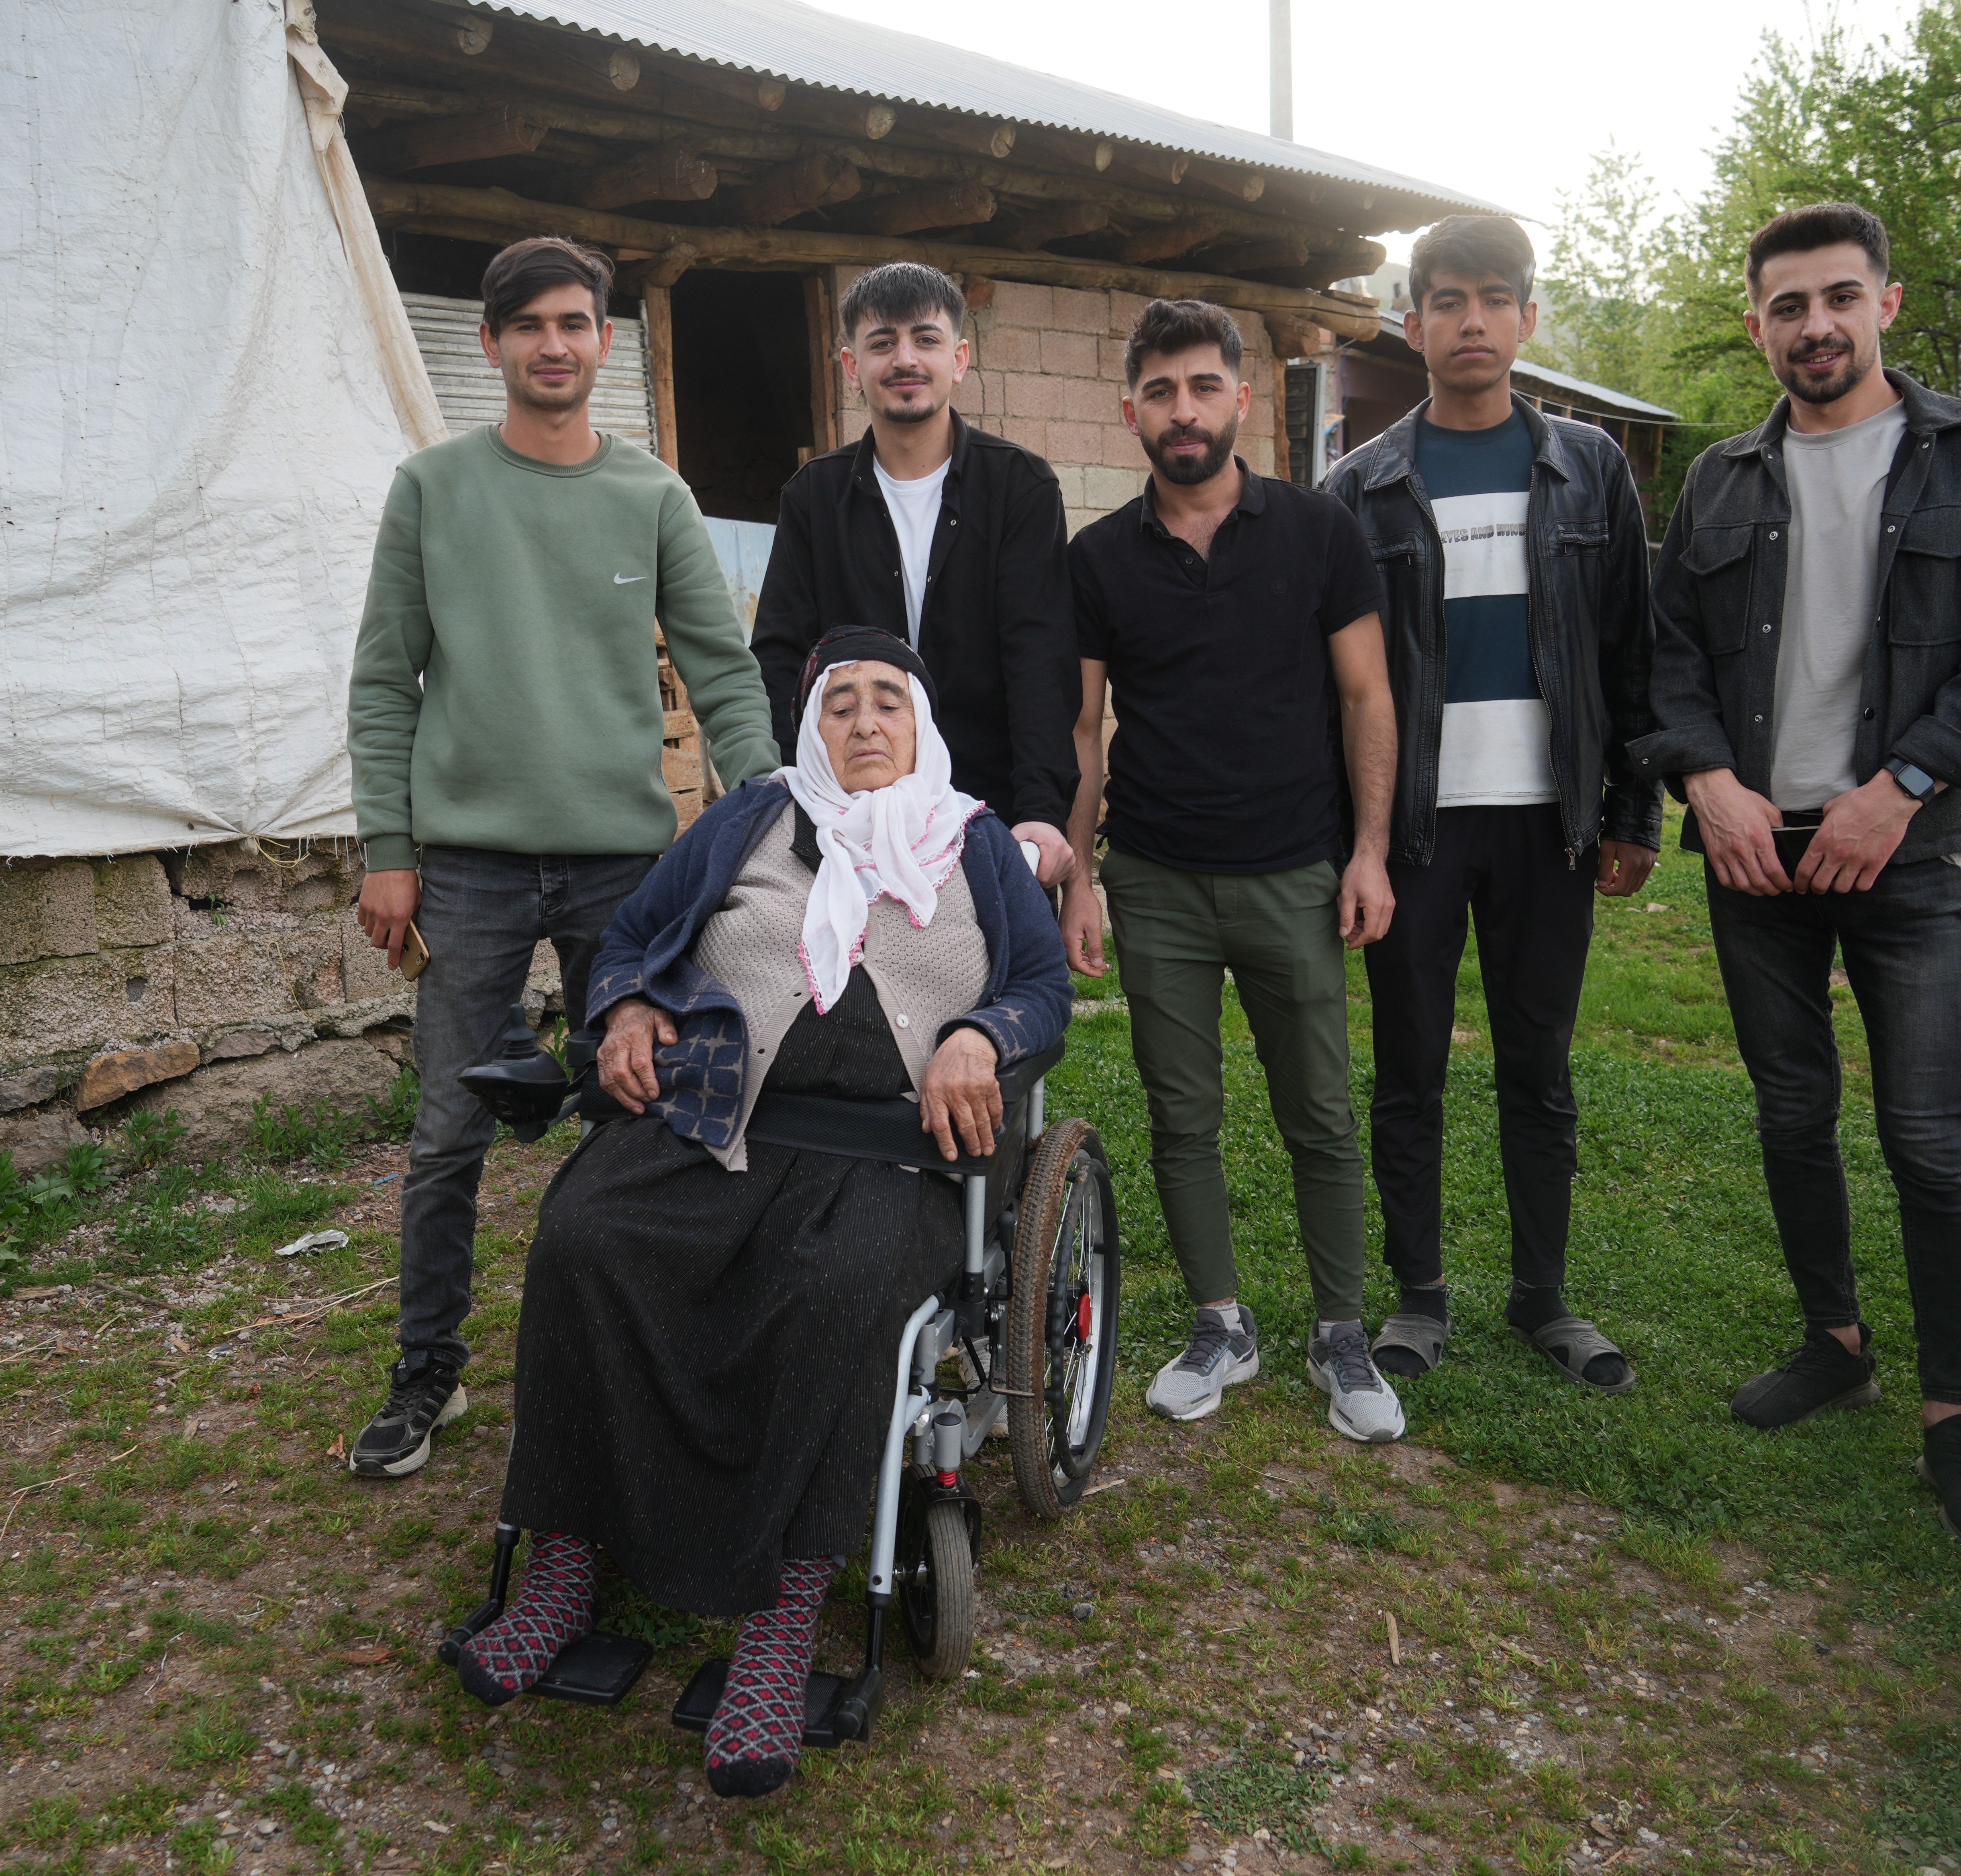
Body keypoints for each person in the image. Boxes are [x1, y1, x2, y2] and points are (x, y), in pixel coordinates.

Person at [448, 629, 1069, 1797]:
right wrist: (627, 1010)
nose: (867, 723)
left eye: (891, 702)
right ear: (810, 729)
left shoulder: (974, 843)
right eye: (842, 705)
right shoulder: (747, 820)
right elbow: (633, 939)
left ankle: (783, 1621)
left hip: (893, 1158)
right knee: (586, 1238)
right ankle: (567, 1566)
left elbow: (1041, 985)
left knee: (838, 1287)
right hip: (722, 1124)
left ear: (922, 727)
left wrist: (982, 1035)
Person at [1630, 203, 1961, 1555]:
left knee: (1926, 1143)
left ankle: (1952, 1418)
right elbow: (1666, 656)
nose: (1810, 324)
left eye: (1835, 297)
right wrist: (1703, 784)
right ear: (1756, 322)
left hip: (1907, 848)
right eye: (1783, 305)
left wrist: (1905, 785)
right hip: (1756, 848)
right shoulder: (1718, 479)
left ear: (1885, 304)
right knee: (1788, 1109)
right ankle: (1832, 1339)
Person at [345, 236, 782, 1480]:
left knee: (637, 1116)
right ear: (490, 345)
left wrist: (763, 815)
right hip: (469, 867)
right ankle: (428, 1372)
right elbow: (385, 678)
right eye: (528, 323)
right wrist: (388, 848)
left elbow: (723, 666)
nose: (553, 343)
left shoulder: (653, 496)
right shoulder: (431, 488)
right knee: (447, 1134)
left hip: (622, 873)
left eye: (576, 322)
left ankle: (623, 1363)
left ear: (605, 343)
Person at [1320, 215, 1661, 1394]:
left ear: (1527, 316)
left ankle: (1544, 1298)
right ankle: (1418, 1298)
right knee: (1409, 1067)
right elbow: (1337, 689)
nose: (1472, 320)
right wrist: (1351, 843)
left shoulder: (1590, 467)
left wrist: (1632, 812)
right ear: (1408, 322)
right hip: (1414, 829)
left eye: (1495, 298)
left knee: (1540, 1065)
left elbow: (1631, 653)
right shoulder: (1360, 487)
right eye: (1446, 298)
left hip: (1550, 824)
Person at [1059, 298, 1405, 1444]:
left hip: (1295, 874)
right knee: (1183, 1115)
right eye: (1160, 391)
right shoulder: (1099, 558)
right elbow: (1084, 730)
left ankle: (1340, 1333)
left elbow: (1368, 696)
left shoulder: (1317, 533)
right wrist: (1079, 880)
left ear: (1241, 400)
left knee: (1320, 1113)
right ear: (1132, 413)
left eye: (1204, 386)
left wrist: (1366, 852)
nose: (1184, 409)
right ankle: (1222, 1324)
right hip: (1156, 876)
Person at [752, 262, 1083, 887]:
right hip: (849, 826)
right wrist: (794, 801)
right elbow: (779, 661)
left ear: (958, 358)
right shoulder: (814, 498)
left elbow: (1040, 662)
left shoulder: (1020, 487)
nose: (905, 359)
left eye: (925, 340)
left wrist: (1041, 814)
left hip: (989, 817)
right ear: (853, 367)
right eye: (882, 343)